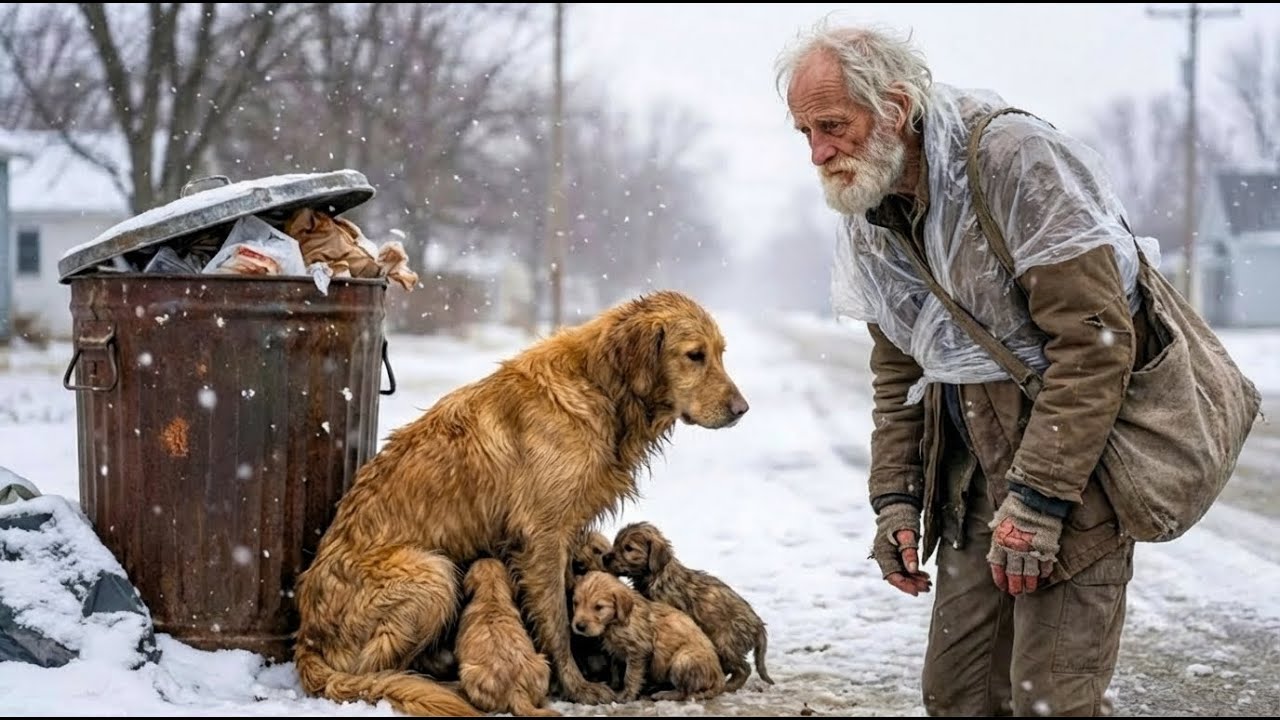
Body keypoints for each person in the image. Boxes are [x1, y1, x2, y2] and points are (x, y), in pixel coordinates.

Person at [774, 21, 1165, 716]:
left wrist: (1040, 500)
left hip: (1075, 478)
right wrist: (896, 500)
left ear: (895, 107)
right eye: (805, 132)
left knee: (1052, 702)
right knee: (958, 697)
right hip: (972, 483)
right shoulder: (873, 207)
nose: (818, 152)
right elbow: (900, 371)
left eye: (832, 126)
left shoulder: (1013, 163)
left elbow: (1096, 343)